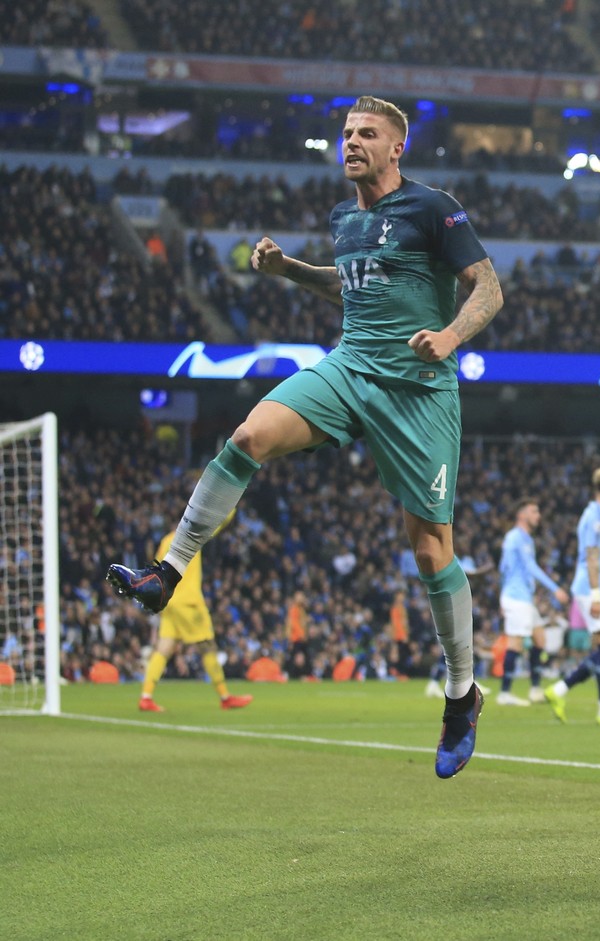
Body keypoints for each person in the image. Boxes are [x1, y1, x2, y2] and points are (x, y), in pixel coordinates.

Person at [106, 95, 504, 780]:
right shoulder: (344, 218)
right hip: (349, 367)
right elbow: (349, 289)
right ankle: (166, 572)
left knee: (431, 549)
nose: (351, 142)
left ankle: (462, 693)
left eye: (367, 134)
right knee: (248, 435)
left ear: (396, 148)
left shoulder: (432, 207)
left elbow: (488, 287)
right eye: (346, 132)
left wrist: (450, 336)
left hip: (418, 389)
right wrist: (289, 269)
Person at [543, 465, 600, 727]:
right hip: (592, 588)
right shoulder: (595, 516)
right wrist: (596, 594)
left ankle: (560, 690)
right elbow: (592, 556)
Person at [137, 508, 252, 713]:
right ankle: (225, 697)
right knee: (207, 645)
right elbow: (219, 524)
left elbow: (154, 572)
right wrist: (231, 506)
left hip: (169, 602)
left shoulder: (166, 541)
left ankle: (146, 697)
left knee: (164, 649)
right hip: (188, 602)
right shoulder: (191, 536)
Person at [496, 498, 569, 706]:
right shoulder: (515, 538)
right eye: (534, 511)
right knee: (515, 643)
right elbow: (528, 567)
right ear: (522, 515)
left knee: (540, 638)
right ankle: (505, 692)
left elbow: (504, 568)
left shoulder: (525, 539)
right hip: (516, 597)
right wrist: (555, 589)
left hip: (523, 597)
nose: (538, 515)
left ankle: (535, 689)